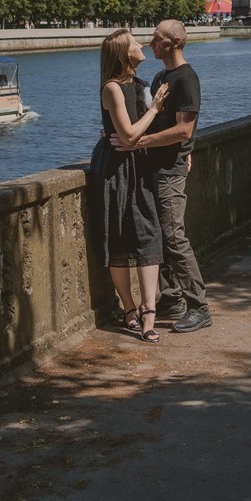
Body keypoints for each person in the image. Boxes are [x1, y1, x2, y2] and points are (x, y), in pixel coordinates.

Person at [115, 19, 211, 333]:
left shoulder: (187, 79)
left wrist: (142, 142)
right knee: (158, 236)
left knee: (173, 237)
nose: (152, 43)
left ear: (174, 42)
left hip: (170, 171)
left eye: (157, 39)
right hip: (156, 168)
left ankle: (199, 305)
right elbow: (157, 122)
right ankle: (172, 297)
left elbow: (185, 129)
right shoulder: (160, 77)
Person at [93, 29, 170, 343]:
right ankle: (129, 309)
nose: (141, 46)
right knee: (120, 239)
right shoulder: (112, 88)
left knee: (149, 235)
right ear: (124, 54)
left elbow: (149, 130)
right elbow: (127, 136)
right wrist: (155, 108)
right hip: (116, 169)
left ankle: (149, 310)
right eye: (136, 44)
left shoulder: (141, 85)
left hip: (139, 165)